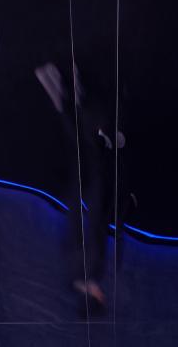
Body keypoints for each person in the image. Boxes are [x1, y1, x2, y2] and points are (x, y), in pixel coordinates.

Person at [35, 61, 127, 315]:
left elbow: (92, 230)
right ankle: (61, 90)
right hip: (76, 200)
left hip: (87, 200)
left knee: (84, 148)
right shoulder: (72, 275)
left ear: (98, 298)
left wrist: (104, 206)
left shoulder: (91, 271)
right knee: (77, 147)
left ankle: (71, 94)